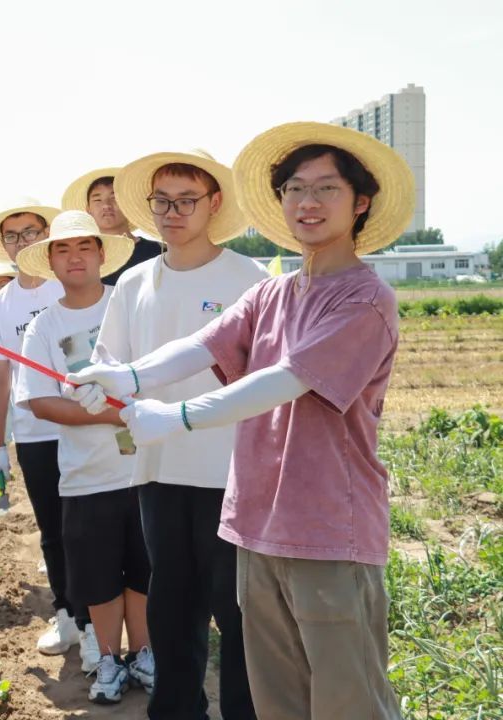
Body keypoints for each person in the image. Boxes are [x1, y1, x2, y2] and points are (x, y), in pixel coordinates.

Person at [68, 123, 413, 719]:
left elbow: (285, 381)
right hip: (255, 523)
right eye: (295, 188)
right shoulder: (271, 294)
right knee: (276, 698)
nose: (307, 202)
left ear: (360, 203)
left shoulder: (363, 298)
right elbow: (201, 346)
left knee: (345, 700)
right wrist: (127, 377)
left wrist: (175, 416)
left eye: (326, 188)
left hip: (328, 529)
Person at [70, 149, 264, 719]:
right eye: (162, 202)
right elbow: (112, 364)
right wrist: (98, 389)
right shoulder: (133, 284)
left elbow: (265, 380)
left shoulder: (249, 280)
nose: (172, 213)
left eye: (186, 201)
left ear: (215, 203)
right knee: (172, 608)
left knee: (236, 613)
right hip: (157, 470)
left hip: (230, 473)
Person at [15, 210, 150, 704]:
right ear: (50, 261)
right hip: (86, 476)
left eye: (85, 247)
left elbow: (157, 373)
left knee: (143, 571)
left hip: (143, 469)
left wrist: (131, 407)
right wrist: (109, 415)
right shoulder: (43, 327)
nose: (75, 257)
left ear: (101, 255)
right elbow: (39, 401)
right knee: (97, 578)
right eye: (63, 249)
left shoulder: (129, 304)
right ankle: (109, 660)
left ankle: (144, 654)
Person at [0, 199, 96, 666]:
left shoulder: (65, 286)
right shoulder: (0, 306)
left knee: (89, 526)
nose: (21, 242)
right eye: (12, 236)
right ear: (3, 245)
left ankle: (95, 623)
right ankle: (67, 614)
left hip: (85, 423)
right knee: (52, 528)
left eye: (30, 232)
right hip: (34, 431)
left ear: (46, 237)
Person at [62, 167, 162, 286]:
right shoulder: (81, 260)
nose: (106, 205)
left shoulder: (159, 252)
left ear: (126, 204)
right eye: (97, 200)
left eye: (114, 198)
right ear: (88, 210)